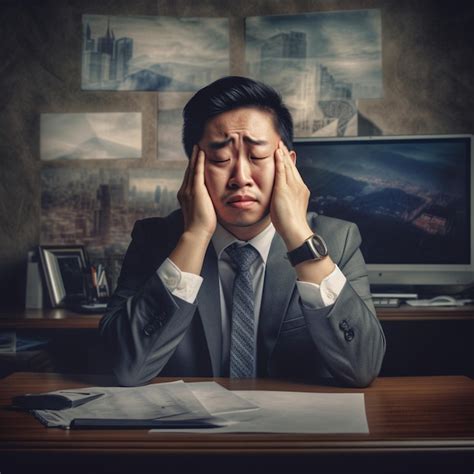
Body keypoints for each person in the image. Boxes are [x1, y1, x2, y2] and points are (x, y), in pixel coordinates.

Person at [100, 76, 385, 387]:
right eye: (221, 158)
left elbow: (363, 368)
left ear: (287, 164)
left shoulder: (338, 241)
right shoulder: (155, 240)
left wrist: (299, 239)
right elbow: (125, 367)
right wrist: (194, 236)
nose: (240, 177)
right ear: (193, 168)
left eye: (258, 156)